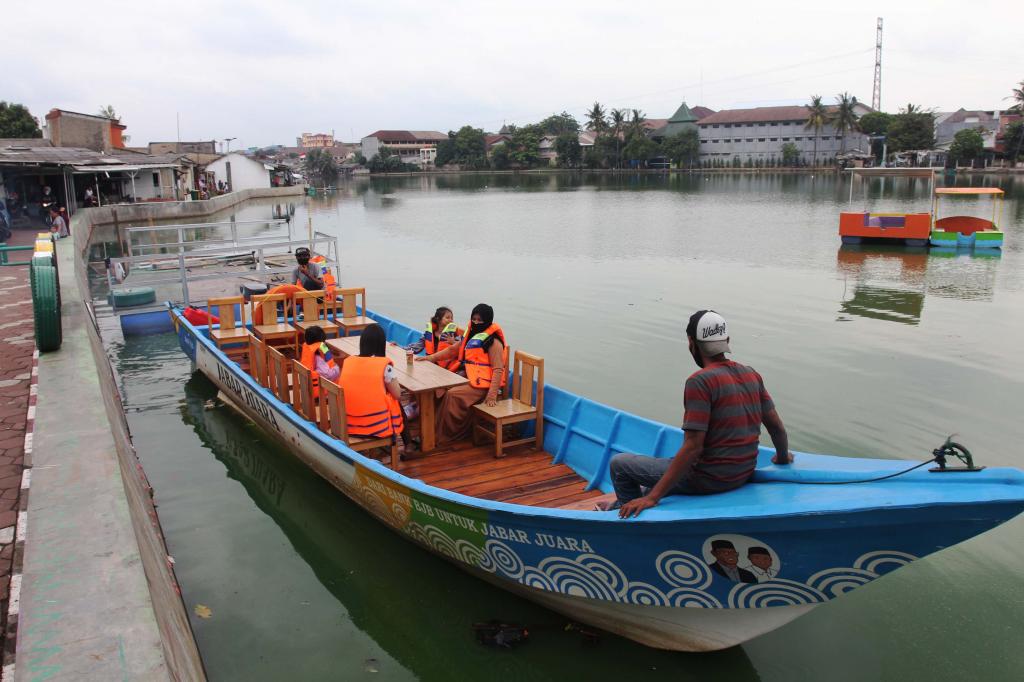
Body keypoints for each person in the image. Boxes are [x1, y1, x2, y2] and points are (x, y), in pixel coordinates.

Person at [609, 310, 793, 518]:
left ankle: (627, 520)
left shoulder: (700, 381)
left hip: (707, 479)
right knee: (661, 472)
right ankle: (633, 499)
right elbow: (776, 427)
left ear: (691, 342)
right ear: (727, 341)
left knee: (620, 465)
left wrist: (653, 498)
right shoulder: (751, 374)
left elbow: (693, 446)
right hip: (742, 474)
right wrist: (783, 457)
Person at [421, 303, 506, 445]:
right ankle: (434, 430)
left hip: (483, 385)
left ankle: (446, 435)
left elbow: (498, 370)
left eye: (480, 320)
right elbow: (452, 350)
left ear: (488, 320)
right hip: (469, 377)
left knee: (452, 394)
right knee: (440, 388)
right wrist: (429, 358)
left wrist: (492, 395)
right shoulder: (471, 334)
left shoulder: (494, 342)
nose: (476, 322)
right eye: (474, 319)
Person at [338, 323, 404, 441]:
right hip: (376, 428)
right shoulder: (385, 366)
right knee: (395, 401)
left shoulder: (348, 361)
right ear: (381, 344)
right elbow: (398, 394)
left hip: (347, 425)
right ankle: (408, 444)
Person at [299, 326, 339, 397]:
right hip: (321, 391)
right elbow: (327, 374)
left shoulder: (307, 348)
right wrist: (337, 369)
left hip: (306, 384)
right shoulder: (318, 355)